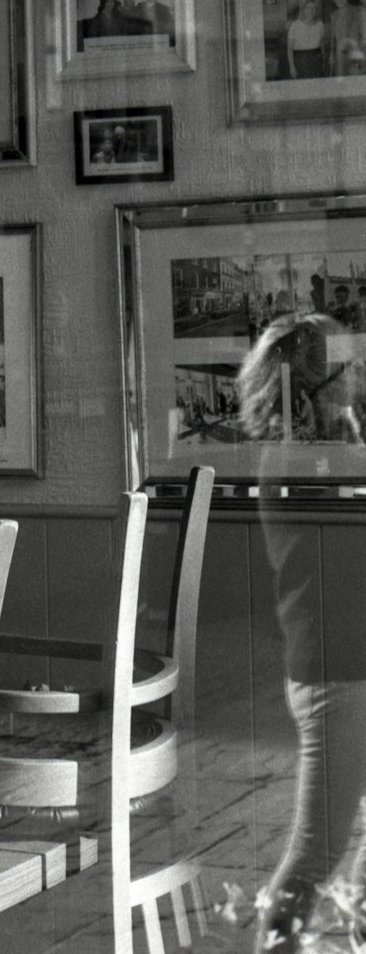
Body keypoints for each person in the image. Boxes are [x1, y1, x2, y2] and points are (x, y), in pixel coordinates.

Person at [239, 314, 366, 953]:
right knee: (316, 855)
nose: (358, 380)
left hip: (342, 666)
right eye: (345, 369)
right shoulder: (306, 461)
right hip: (340, 675)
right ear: (312, 385)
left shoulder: (315, 454)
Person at [328, 0, 366, 77]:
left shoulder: (358, 11)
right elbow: (333, 38)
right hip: (339, 58)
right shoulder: (333, 15)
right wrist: (331, 54)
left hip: (355, 56)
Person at [286, 0, 325, 79]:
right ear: (303, 9)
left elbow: (322, 45)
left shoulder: (320, 24)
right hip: (300, 60)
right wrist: (291, 67)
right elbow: (289, 49)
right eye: (308, 7)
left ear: (316, 10)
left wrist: (323, 62)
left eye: (313, 8)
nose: (311, 10)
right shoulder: (295, 25)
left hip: (316, 60)